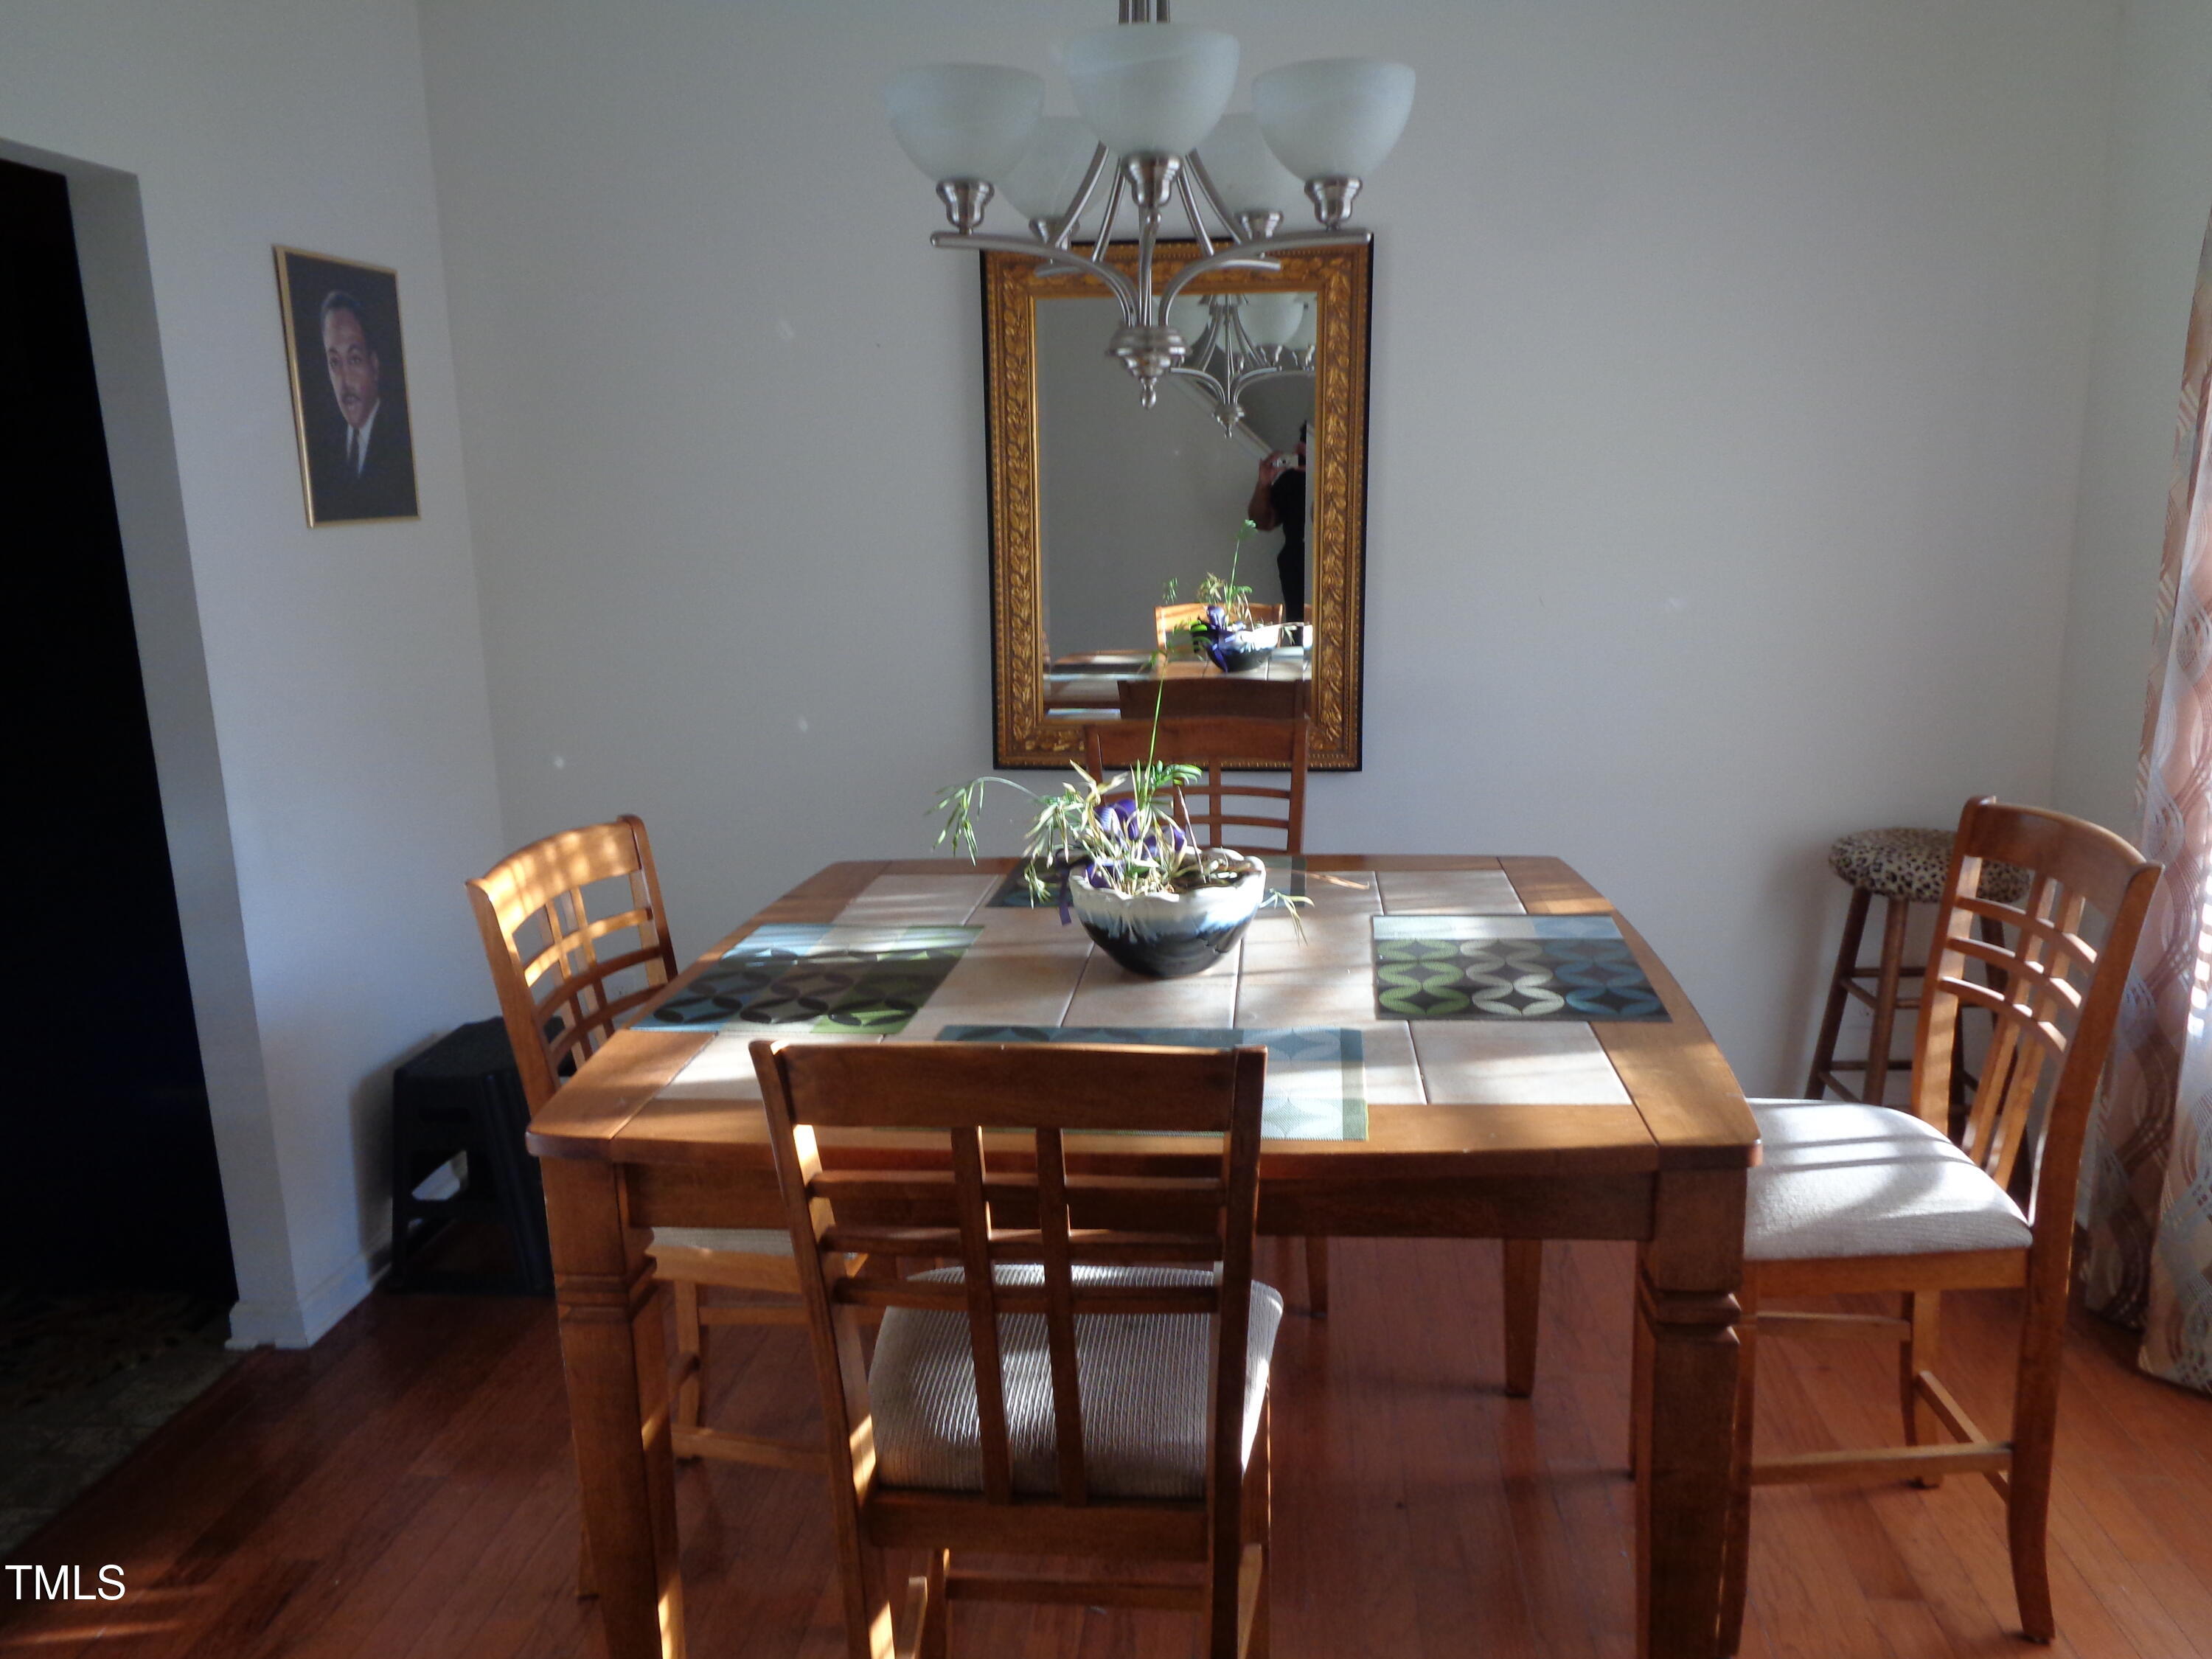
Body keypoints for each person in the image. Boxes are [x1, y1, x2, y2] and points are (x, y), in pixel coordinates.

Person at [311, 289, 417, 522]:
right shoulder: (323, 453)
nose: (345, 380)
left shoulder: (404, 443)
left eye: (355, 359)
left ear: (374, 364)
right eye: (334, 362)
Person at [1247, 419, 1307, 622]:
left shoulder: (1347, 476)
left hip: (1341, 567)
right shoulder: (1292, 479)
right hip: (1297, 567)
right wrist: (1264, 484)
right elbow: (1261, 522)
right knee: (1299, 632)